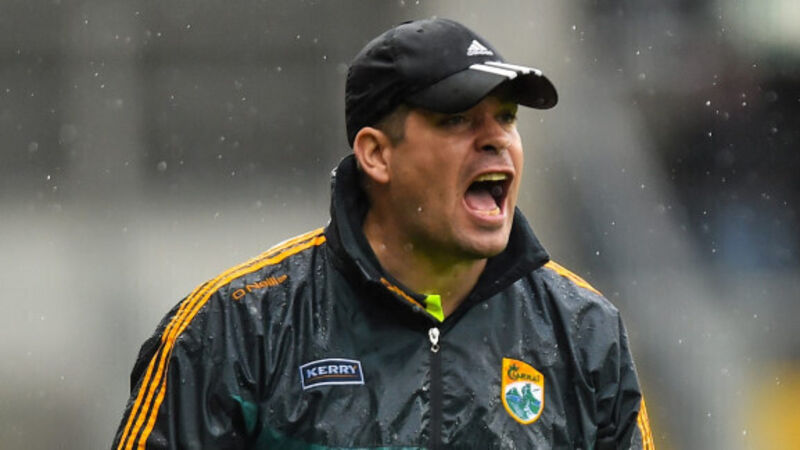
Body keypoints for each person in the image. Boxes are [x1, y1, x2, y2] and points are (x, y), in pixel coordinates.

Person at [113, 18, 655, 449]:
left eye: (507, 117)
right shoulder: (237, 328)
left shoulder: (584, 332)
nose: (497, 140)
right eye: (457, 119)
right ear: (376, 154)